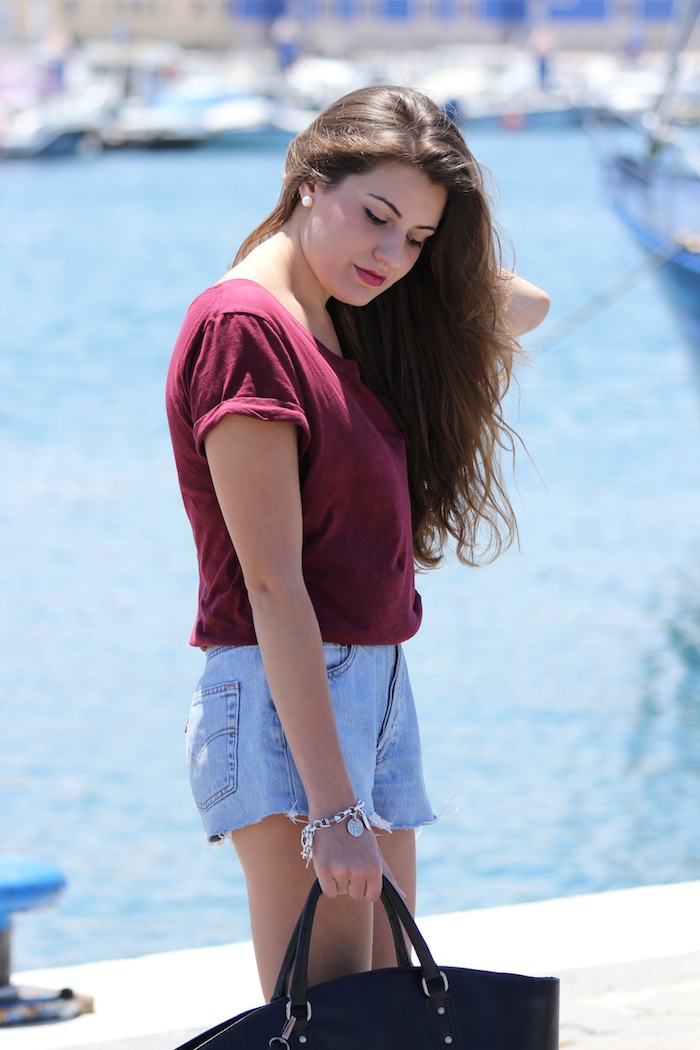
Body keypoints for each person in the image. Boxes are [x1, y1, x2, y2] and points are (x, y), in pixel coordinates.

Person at [165, 84, 549, 1001]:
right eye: (375, 216)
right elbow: (272, 587)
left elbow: (526, 305)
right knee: (332, 1015)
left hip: (369, 686)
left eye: (417, 238)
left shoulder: (340, 315)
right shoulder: (245, 329)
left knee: (384, 1012)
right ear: (308, 179)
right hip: (291, 692)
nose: (391, 255)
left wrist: (429, 248)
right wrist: (333, 806)